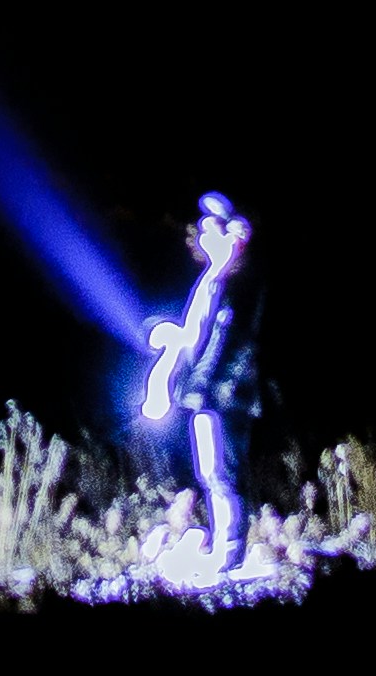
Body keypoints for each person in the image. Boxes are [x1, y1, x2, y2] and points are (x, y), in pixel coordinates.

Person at [138, 191, 264, 568]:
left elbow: (230, 344)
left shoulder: (238, 285)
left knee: (222, 471)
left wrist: (205, 384)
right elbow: (196, 339)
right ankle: (226, 547)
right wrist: (167, 337)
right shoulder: (212, 281)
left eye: (215, 230)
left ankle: (230, 550)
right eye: (204, 230)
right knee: (210, 470)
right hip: (206, 394)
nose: (206, 238)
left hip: (225, 394)